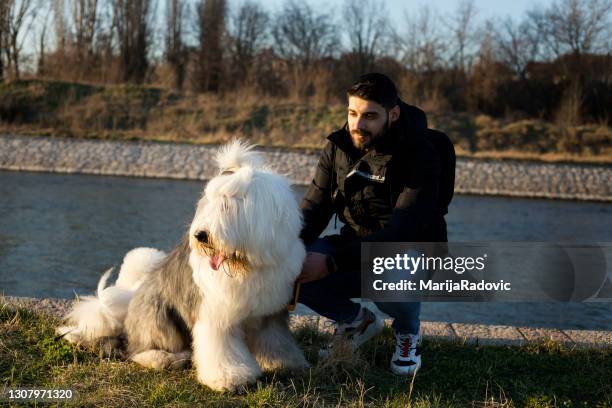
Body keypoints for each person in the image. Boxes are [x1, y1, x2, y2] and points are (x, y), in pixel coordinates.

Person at [297, 72, 454, 375]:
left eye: (370, 116)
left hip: (410, 251)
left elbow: (401, 232)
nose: (357, 124)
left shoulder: (423, 153)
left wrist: (330, 263)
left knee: (390, 276)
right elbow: (313, 207)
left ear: (393, 114)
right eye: (352, 113)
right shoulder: (338, 146)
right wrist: (280, 249)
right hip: (354, 242)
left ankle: (408, 333)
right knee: (290, 264)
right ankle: (357, 321)